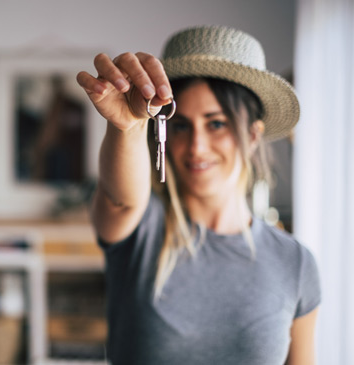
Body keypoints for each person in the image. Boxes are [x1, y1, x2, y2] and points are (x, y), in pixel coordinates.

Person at [77, 25, 321, 365]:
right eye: (181, 125)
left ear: (252, 135)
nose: (196, 147)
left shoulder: (295, 264)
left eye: (216, 123)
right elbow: (120, 199)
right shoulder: (142, 230)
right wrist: (128, 128)